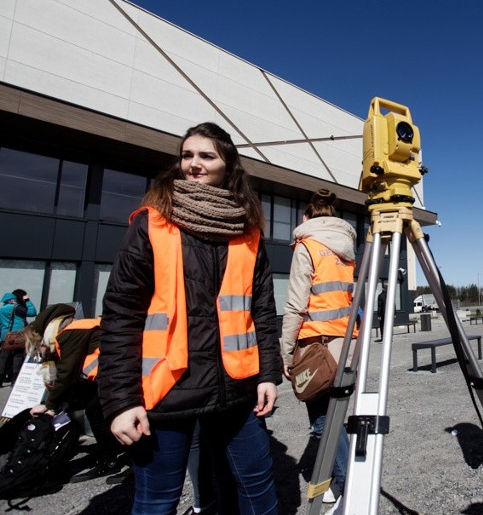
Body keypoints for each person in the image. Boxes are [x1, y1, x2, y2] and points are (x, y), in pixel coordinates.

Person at [97, 122, 282, 515]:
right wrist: (120, 401)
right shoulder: (153, 223)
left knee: (257, 487)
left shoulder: (247, 232)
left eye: (206, 156)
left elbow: (262, 311)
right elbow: (120, 316)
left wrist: (268, 373)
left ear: (228, 165)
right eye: (187, 155)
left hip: (237, 389)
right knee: (158, 501)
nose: (194, 164)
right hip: (164, 392)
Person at [280, 189, 356, 510]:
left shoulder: (306, 246)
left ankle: (348, 487)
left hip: (316, 347)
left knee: (324, 421)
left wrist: (285, 352)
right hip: (346, 345)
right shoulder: (348, 250)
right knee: (336, 417)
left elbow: (296, 305)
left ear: (307, 217)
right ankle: (343, 481)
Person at [24, 303, 127, 483]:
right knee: (95, 412)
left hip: (112, 377)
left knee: (97, 413)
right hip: (109, 376)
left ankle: (116, 461)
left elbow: (66, 374)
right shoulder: (75, 328)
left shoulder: (70, 333)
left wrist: (50, 406)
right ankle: (110, 457)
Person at [0, 289, 37, 386]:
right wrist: (27, 300)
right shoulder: (17, 308)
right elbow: (32, 312)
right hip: (18, 336)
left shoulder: (2, 309)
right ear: (13, 299)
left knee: (3, 358)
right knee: (18, 356)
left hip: (6, 336)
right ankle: (14, 380)